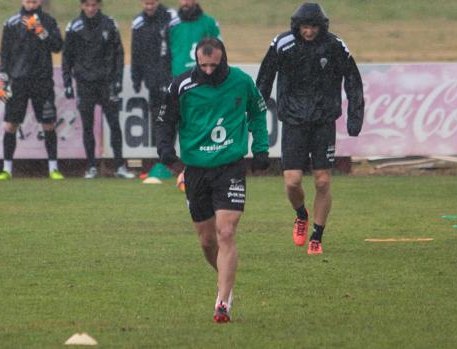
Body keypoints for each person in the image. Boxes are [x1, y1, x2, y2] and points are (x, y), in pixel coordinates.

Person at [156, 38, 270, 323]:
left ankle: (222, 302)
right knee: (207, 241)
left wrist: (261, 149)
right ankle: (225, 283)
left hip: (230, 167)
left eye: (214, 65)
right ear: (197, 61)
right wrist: (166, 150)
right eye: (203, 65)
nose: (208, 71)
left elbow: (257, 112)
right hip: (195, 171)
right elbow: (165, 120)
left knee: (227, 232)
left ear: (224, 60)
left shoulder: (241, 81)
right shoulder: (181, 86)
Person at [256, 2, 364, 254]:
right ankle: (301, 214)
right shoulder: (282, 44)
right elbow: (264, 77)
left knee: (323, 181)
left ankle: (317, 235)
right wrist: (257, 110)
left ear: (322, 26)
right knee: (292, 182)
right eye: (305, 27)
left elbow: (353, 80)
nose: (309, 32)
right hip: (293, 122)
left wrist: (354, 118)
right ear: (297, 26)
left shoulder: (335, 46)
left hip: (323, 121)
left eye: (314, 27)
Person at [62, 0, 135, 179]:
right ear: (82, 6)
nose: (91, 9)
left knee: (114, 125)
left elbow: (119, 52)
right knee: (87, 126)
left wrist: (117, 79)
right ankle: (91, 167)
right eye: (87, 5)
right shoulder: (73, 27)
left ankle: (119, 166)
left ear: (99, 5)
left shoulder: (109, 24)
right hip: (84, 83)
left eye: (94, 5)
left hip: (106, 83)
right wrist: (67, 83)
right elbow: (67, 56)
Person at [0, 0, 64, 180]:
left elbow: (57, 46)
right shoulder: (11, 23)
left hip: (42, 81)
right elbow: (4, 54)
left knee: (48, 123)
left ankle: (53, 169)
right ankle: (7, 169)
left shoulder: (49, 21)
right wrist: (3, 81)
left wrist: (40, 31)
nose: (31, 1)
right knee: (11, 124)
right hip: (18, 81)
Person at [131, 0, 176, 133]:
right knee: (157, 120)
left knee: (172, 119)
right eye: (146, 4)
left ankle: (170, 151)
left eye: (152, 3)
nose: (149, 7)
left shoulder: (171, 17)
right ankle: (162, 152)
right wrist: (136, 79)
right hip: (152, 80)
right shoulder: (138, 23)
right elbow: (136, 53)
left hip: (171, 77)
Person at [168, 0, 221, 77]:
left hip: (203, 77)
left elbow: (219, 51)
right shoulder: (172, 24)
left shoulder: (209, 23)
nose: (184, 3)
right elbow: (165, 53)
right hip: (177, 77)